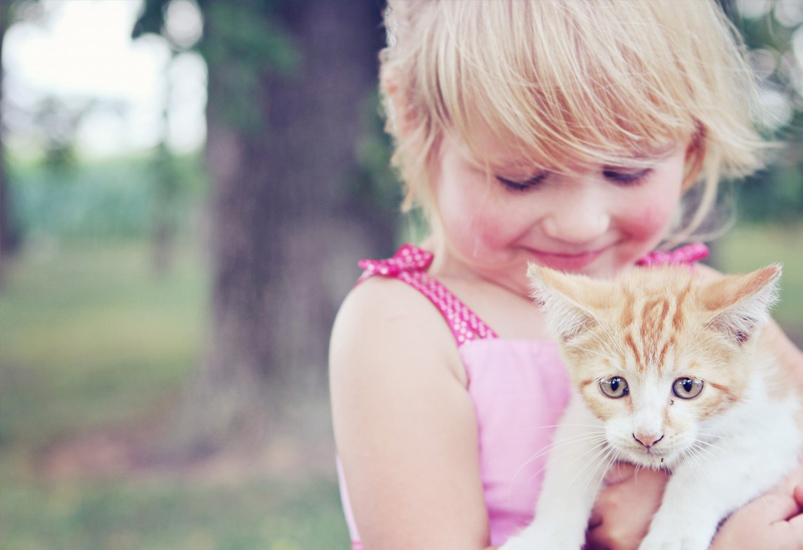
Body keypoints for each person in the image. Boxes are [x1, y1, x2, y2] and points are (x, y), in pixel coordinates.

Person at [328, 1, 803, 549]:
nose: (579, 225)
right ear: (415, 125)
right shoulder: (400, 328)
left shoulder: (699, 297)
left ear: (691, 147)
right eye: (520, 179)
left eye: (627, 172)